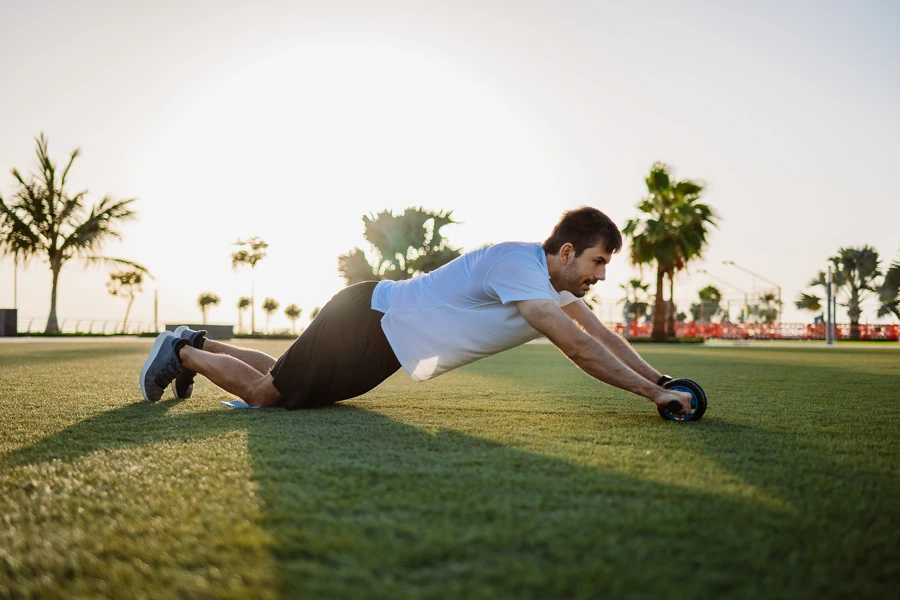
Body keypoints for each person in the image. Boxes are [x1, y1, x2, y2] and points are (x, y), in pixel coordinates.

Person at [139, 206, 692, 415]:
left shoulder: (556, 286)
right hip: (373, 321)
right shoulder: (518, 267)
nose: (600, 276)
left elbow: (603, 336)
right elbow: (578, 347)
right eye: (597, 262)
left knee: (280, 380)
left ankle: (198, 342)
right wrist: (653, 396)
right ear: (567, 252)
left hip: (382, 331)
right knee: (268, 395)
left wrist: (663, 379)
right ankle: (182, 351)